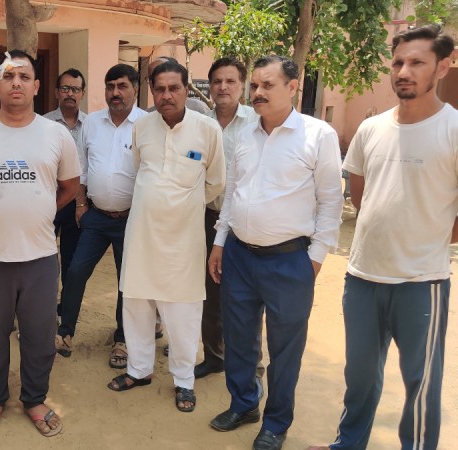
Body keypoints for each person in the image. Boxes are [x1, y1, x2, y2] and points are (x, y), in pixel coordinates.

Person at [307, 24, 457, 450]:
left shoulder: (453, 129)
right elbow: (360, 195)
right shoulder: (371, 129)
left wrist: (425, 234)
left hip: (421, 282)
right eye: (397, 63)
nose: (403, 71)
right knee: (358, 376)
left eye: (417, 62)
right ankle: (348, 444)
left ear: (443, 66)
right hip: (362, 278)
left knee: (420, 384)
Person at [208, 55, 342, 450]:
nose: (257, 92)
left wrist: (314, 259)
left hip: (290, 260)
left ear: (292, 87)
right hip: (239, 255)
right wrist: (220, 242)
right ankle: (244, 404)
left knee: (285, 349)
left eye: (267, 85)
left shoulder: (318, 135)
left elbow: (331, 201)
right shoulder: (246, 134)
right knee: (239, 338)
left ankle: (276, 423)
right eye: (255, 86)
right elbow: (233, 192)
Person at [0, 50, 80, 437]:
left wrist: (41, 211)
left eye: (24, 76)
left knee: (39, 335)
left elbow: (70, 186)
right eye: (8, 76)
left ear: (37, 86)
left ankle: (35, 399)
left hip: (39, 256)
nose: (16, 83)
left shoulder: (56, 134)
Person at [108, 60, 225, 413]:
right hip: (142, 234)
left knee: (182, 311)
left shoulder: (207, 130)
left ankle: (184, 380)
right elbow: (139, 170)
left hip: (184, 240)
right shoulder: (142, 127)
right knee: (137, 304)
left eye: (174, 88)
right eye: (159, 89)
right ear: (151, 92)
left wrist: (182, 204)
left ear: (187, 90)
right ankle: (139, 369)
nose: (166, 95)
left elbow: (216, 182)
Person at [55, 64, 146, 368]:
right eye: (110, 86)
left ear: (135, 89)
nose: (115, 92)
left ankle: (122, 338)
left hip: (132, 220)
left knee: (126, 281)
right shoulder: (92, 123)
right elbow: (80, 168)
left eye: (122, 86)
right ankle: (65, 332)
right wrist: (80, 204)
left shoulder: (147, 124)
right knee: (75, 271)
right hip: (95, 217)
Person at [195, 57, 264, 389]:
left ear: (243, 85)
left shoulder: (257, 123)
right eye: (217, 81)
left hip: (245, 224)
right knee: (210, 292)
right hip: (207, 219)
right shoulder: (199, 124)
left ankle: (253, 367)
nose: (223, 87)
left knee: (246, 297)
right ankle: (214, 356)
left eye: (230, 81)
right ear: (210, 86)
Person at [43, 68, 87, 310]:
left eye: (75, 89)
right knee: (44, 256)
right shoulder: (43, 123)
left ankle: (66, 309)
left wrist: (82, 202)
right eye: (65, 88)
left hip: (77, 203)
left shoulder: (91, 125)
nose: (70, 93)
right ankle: (43, 305)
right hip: (47, 200)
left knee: (72, 259)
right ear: (56, 92)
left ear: (82, 93)